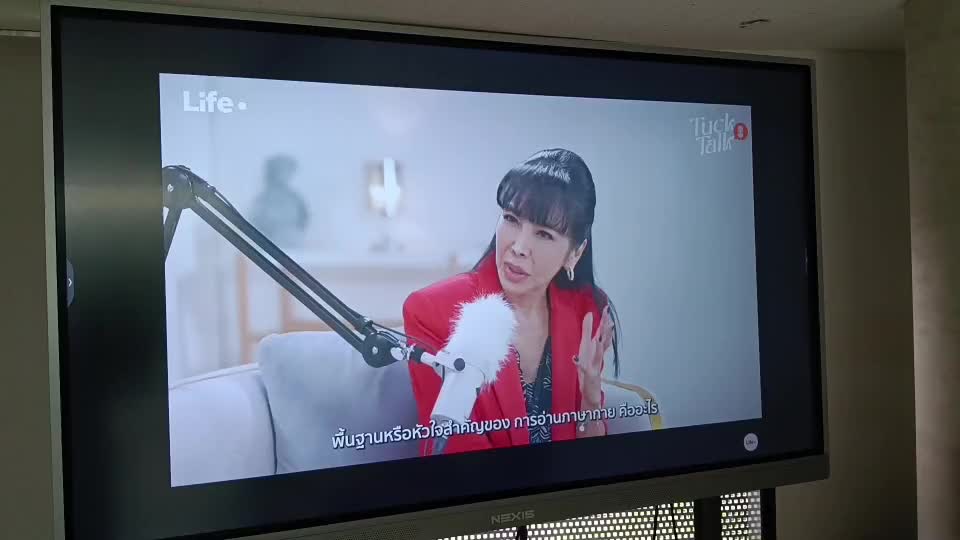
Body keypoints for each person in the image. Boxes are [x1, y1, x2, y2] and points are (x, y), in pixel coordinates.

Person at [402, 148, 620, 456]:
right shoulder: (433, 311)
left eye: (544, 234)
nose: (518, 246)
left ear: (575, 253)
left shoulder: (588, 310)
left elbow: (593, 458)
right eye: (511, 219)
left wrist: (591, 400)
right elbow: (455, 454)